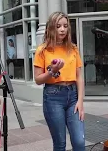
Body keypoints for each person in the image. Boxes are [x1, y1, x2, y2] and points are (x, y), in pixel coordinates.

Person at [33, 11, 85, 151]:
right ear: (51, 28)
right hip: (53, 97)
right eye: (58, 26)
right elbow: (37, 79)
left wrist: (80, 101)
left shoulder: (73, 49)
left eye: (65, 26)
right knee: (60, 144)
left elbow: (79, 76)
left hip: (73, 96)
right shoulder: (42, 50)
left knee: (79, 142)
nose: (62, 29)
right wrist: (53, 71)